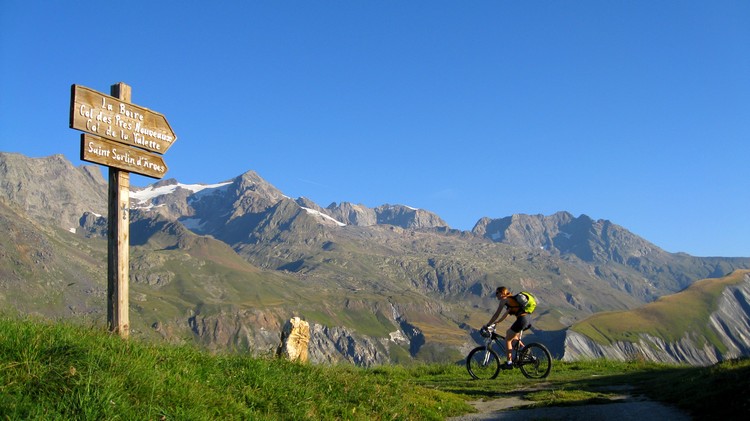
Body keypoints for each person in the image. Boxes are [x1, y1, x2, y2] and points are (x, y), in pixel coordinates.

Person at [484, 286, 532, 369]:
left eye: (497, 293)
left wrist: (487, 325)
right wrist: (497, 322)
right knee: (513, 336)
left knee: (508, 338)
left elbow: (496, 314)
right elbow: (505, 315)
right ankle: (524, 349)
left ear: (502, 293)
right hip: (527, 319)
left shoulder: (504, 300)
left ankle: (509, 363)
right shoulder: (510, 299)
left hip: (522, 319)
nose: (496, 295)